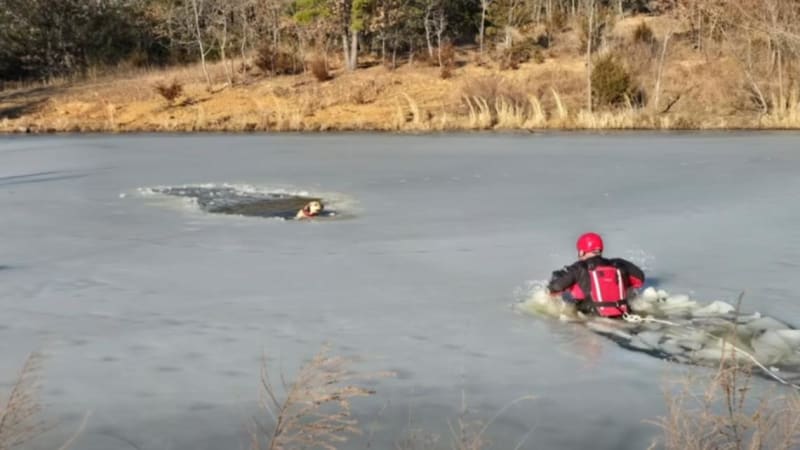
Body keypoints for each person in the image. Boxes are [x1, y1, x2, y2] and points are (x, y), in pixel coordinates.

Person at [547, 232, 645, 318]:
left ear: (581, 252)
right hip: (623, 313)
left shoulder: (579, 267)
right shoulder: (618, 263)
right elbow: (640, 279)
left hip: (591, 316)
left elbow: (556, 286)